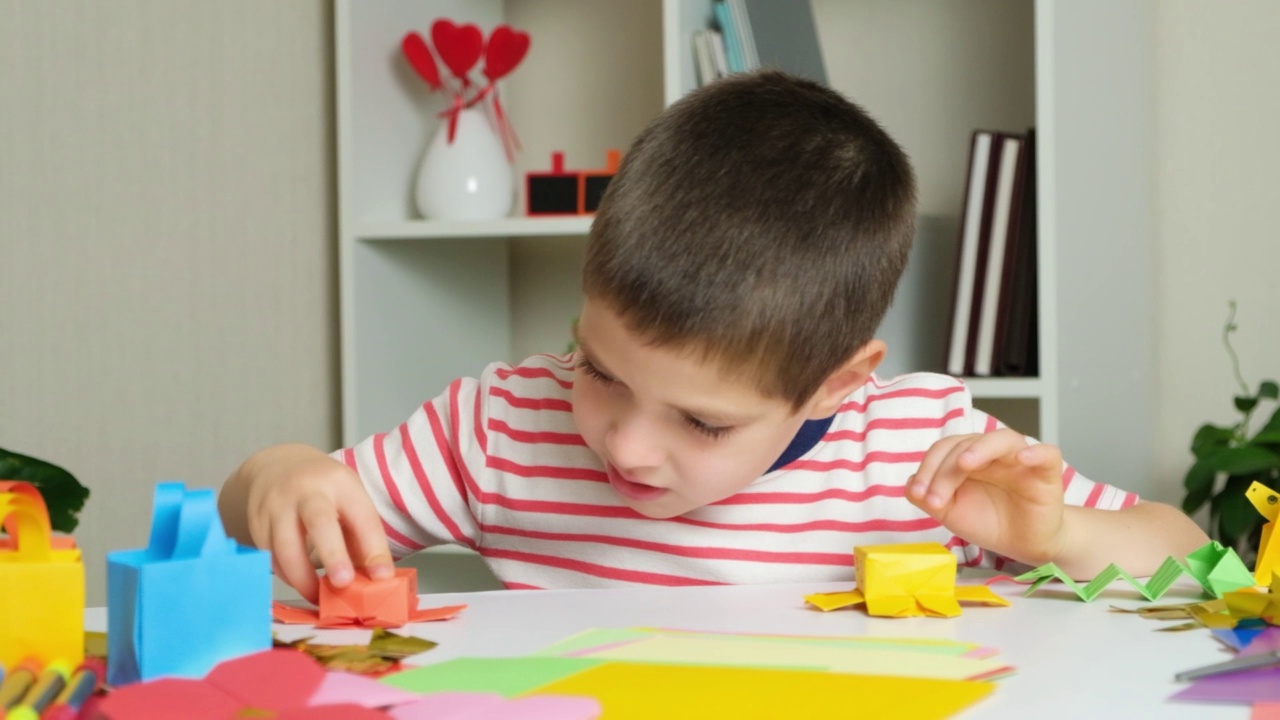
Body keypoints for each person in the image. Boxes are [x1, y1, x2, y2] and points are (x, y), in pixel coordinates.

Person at [218, 70, 1208, 602]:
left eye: (700, 421)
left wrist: (1055, 535)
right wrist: (277, 474)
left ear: (833, 384)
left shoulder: (915, 451)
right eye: (600, 372)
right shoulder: (500, 429)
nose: (626, 446)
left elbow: (1189, 555)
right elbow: (272, 510)